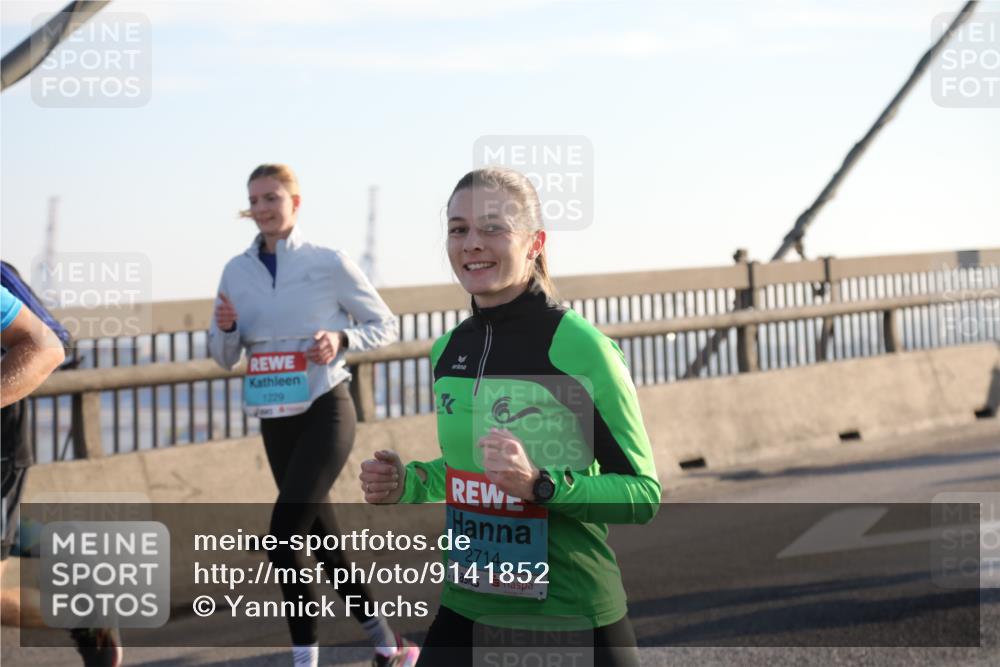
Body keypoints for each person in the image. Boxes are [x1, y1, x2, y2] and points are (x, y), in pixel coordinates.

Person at [359, 167, 661, 666]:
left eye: (493, 228)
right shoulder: (449, 350)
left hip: (568, 615)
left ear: (535, 242)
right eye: (459, 230)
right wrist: (408, 483)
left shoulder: (580, 348)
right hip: (467, 606)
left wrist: (542, 486)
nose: (472, 243)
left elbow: (642, 494)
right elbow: (469, 472)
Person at [208, 164, 417, 667]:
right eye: (254, 200)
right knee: (323, 541)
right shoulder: (236, 271)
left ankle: (305, 660)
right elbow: (221, 354)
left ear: (295, 203)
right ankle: (388, 645)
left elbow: (384, 324)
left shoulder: (329, 262)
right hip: (274, 416)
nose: (261, 209)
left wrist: (341, 339)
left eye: (271, 198)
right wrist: (228, 328)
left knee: (283, 533)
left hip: (326, 409)